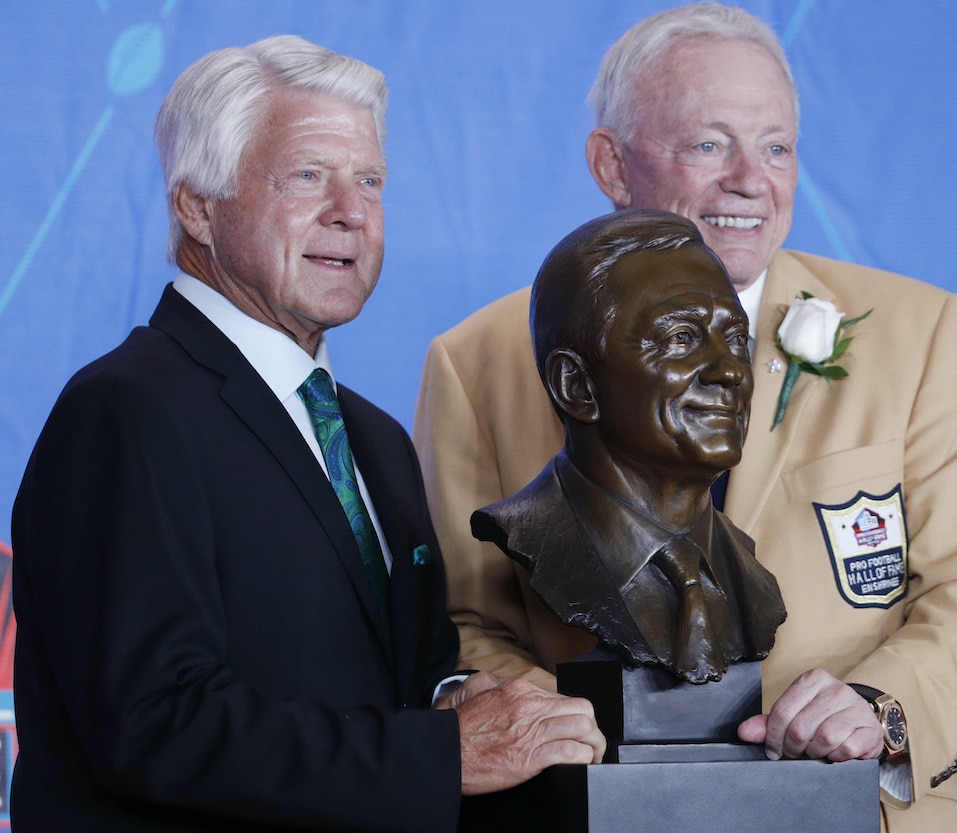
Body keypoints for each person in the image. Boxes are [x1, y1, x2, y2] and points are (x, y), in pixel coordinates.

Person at [412, 4, 957, 830]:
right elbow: (462, 623)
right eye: (709, 143)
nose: (752, 178)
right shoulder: (477, 358)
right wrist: (588, 743)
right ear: (611, 161)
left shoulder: (919, 335)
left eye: (776, 146)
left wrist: (880, 709)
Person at [10, 35, 603, 832]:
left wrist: (461, 701)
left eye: (369, 180)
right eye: (307, 176)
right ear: (196, 206)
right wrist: (442, 751)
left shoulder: (376, 437)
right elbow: (154, 720)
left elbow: (399, 679)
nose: (351, 212)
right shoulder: (124, 409)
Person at [471, 210, 787, 687]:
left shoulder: (749, 575)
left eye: (737, 338)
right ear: (576, 386)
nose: (732, 372)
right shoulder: (526, 538)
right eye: (681, 339)